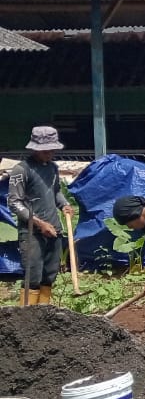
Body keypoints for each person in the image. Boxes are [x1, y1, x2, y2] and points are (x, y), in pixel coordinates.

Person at [8, 126, 71, 305]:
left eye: (52, 150)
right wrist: (39, 223)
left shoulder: (53, 168)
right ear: (35, 149)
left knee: (49, 275)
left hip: (54, 230)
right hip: (32, 233)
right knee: (33, 275)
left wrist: (64, 204)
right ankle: (26, 318)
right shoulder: (21, 170)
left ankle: (43, 316)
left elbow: (55, 191)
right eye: (45, 151)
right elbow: (14, 203)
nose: (49, 154)